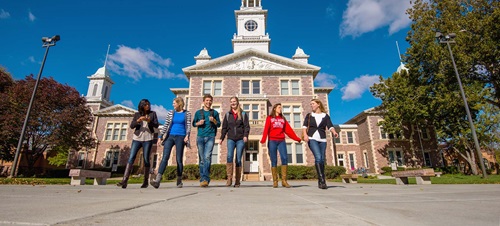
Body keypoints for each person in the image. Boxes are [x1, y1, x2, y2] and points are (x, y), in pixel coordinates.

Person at [117, 99, 159, 189]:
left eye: (149, 104)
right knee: (131, 157)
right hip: (137, 138)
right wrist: (138, 121)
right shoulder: (137, 114)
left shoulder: (153, 113)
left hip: (148, 138)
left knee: (146, 159)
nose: (148, 106)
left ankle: (145, 182)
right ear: (142, 105)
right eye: (146, 105)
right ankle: (124, 181)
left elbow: (156, 125)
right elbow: (132, 126)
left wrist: (148, 121)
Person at [150, 97, 191, 189]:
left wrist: (187, 135)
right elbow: (166, 125)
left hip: (181, 136)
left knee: (179, 159)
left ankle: (179, 180)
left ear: (179, 103)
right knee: (165, 157)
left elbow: (188, 125)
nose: (173, 105)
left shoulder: (187, 113)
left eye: (174, 103)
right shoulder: (171, 113)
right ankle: (158, 180)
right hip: (170, 136)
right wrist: (160, 137)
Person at [260, 103, 301, 188]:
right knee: (274, 160)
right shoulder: (269, 118)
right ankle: (275, 181)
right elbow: (266, 129)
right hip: (272, 141)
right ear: (274, 108)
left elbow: (289, 130)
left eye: (281, 108)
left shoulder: (283, 119)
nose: (280, 109)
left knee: (285, 158)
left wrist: (297, 138)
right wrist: (263, 139)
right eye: (279, 107)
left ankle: (284, 181)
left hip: (281, 140)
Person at [302, 99, 338, 189]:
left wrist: (334, 132)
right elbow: (304, 126)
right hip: (312, 138)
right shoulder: (309, 115)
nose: (311, 105)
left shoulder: (325, 116)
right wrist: (305, 135)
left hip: (322, 140)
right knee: (318, 157)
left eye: (313, 104)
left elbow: (330, 126)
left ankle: (320, 180)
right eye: (311, 104)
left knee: (322, 159)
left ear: (318, 104)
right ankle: (322, 180)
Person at [219, 96, 250, 187]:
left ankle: (237, 181)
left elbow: (247, 127)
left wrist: (245, 136)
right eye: (231, 102)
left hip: (240, 139)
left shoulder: (243, 114)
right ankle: (229, 179)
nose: (233, 103)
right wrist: (222, 138)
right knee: (229, 156)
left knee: (238, 158)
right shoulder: (228, 115)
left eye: (234, 101)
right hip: (231, 139)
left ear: (237, 102)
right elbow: (224, 128)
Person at [192, 94, 221, 187]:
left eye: (210, 100)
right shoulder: (198, 113)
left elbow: (219, 124)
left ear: (212, 102)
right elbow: (193, 124)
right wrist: (198, 123)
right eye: (207, 100)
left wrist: (214, 121)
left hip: (210, 137)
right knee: (201, 159)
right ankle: (203, 179)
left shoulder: (215, 113)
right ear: (204, 101)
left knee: (207, 157)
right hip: (200, 137)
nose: (208, 102)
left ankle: (205, 178)